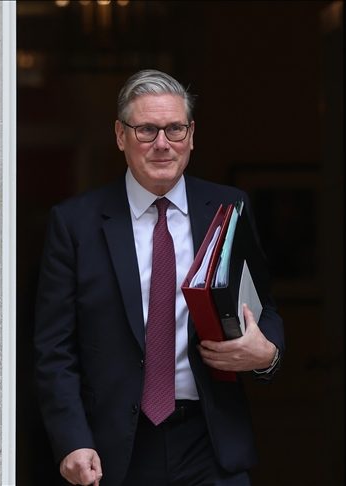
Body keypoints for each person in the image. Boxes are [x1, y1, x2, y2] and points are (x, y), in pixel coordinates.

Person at [34, 68, 285, 486]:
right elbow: (54, 349)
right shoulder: (75, 223)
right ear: (120, 135)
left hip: (211, 444)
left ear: (192, 134)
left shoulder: (229, 208)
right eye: (147, 130)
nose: (163, 144)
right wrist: (71, 440)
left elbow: (265, 309)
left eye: (175, 129)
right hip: (116, 449)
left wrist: (268, 354)